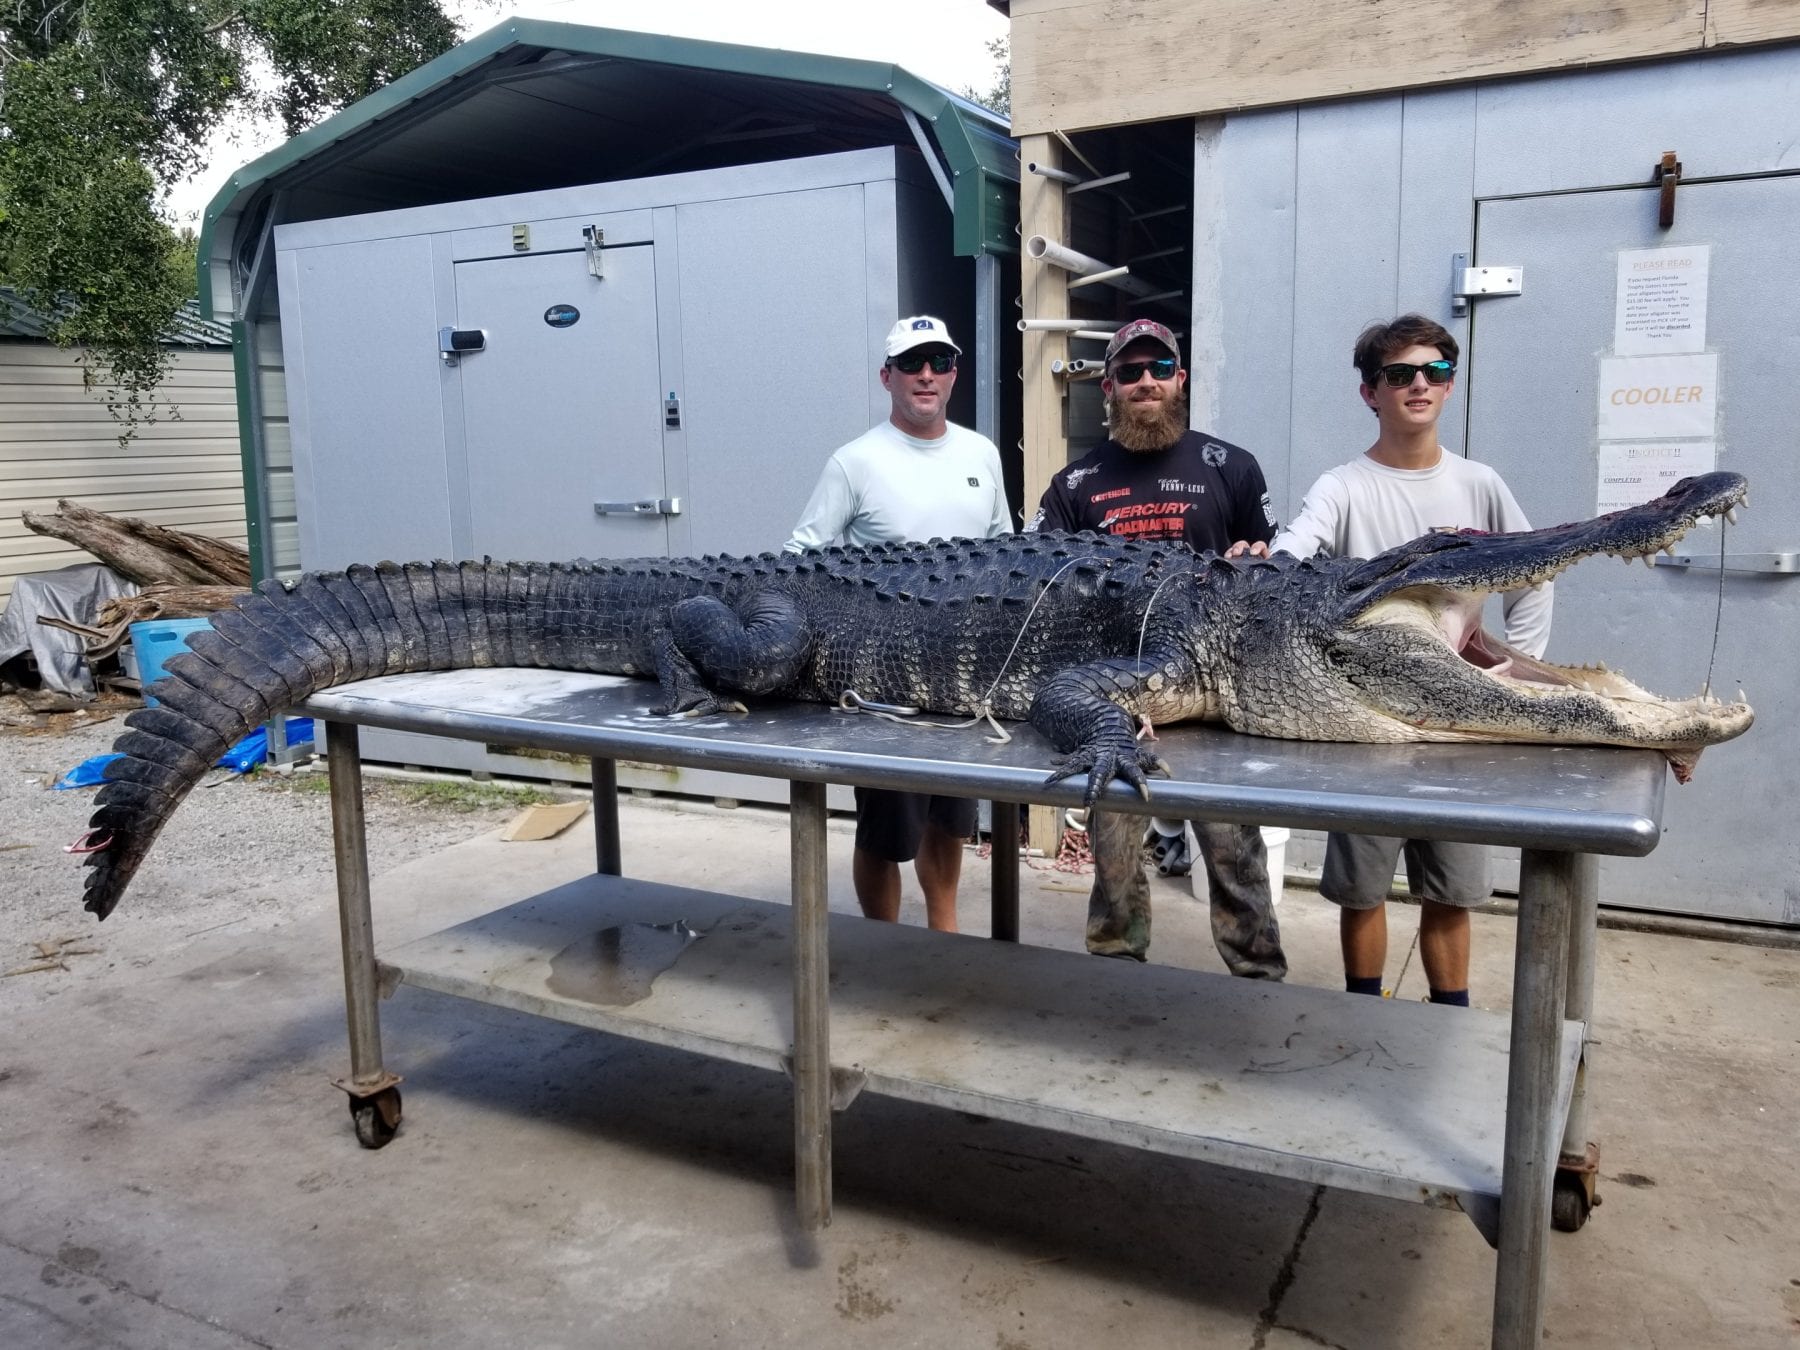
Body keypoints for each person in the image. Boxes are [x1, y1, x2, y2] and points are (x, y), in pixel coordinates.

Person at [1264, 313, 1553, 1007]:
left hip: (1462, 725)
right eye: (1400, 374)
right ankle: (1364, 1013)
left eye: (1435, 371)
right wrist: (1266, 560)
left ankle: (1448, 1017)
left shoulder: (1481, 483)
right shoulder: (1343, 486)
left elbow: (1535, 572)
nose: (1419, 384)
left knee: (1451, 890)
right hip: (1371, 723)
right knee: (1362, 891)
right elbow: (1294, 546)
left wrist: (1515, 676)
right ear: (1371, 391)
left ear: (1449, 386)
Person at [1025, 318, 1285, 978]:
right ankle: (1117, 981)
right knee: (1114, 867)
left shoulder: (1231, 467)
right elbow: (1038, 594)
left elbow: (1266, 581)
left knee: (1235, 861)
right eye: (1131, 373)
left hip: (1209, 705)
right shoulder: (1074, 486)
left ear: (1181, 379)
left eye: (1159, 369)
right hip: (1116, 703)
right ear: (1107, 387)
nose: (1146, 382)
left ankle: (1258, 983)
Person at [784, 316, 1013, 933]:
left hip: (965, 677)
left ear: (955, 373)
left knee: (949, 818)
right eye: (912, 363)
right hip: (884, 685)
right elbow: (799, 560)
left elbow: (1006, 552)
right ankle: (882, 944)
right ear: (887, 377)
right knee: (887, 830)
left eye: (939, 361)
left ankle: (944, 933)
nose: (927, 374)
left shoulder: (980, 453)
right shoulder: (853, 462)